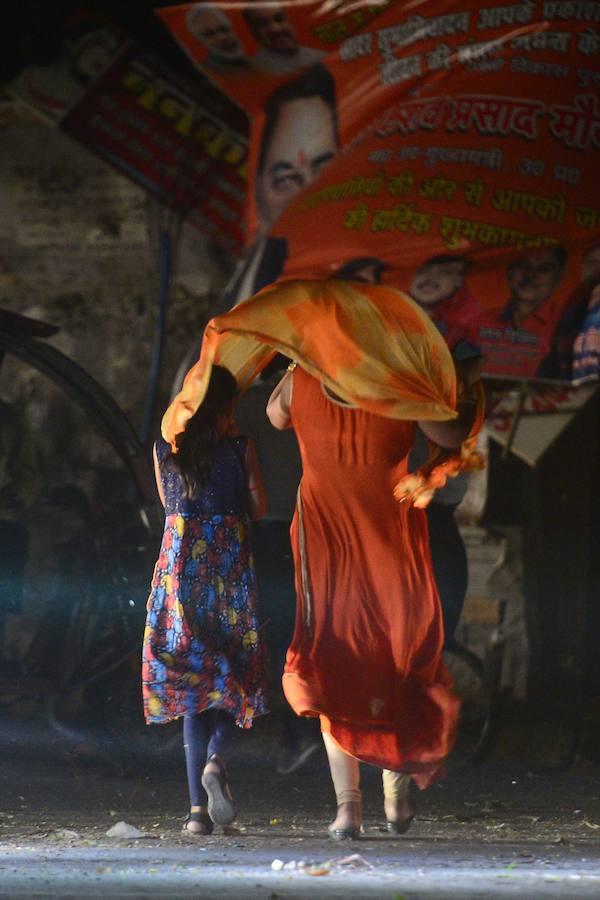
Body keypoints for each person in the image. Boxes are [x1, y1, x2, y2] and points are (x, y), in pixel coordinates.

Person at [266, 337, 479, 839]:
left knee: (333, 662)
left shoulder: (301, 380)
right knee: (397, 659)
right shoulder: (402, 386)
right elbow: (451, 433)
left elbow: (275, 414)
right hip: (389, 543)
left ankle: (349, 806)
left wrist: (298, 360)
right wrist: (450, 383)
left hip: (328, 545)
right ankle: (394, 791)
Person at [142, 365, 268, 835]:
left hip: (179, 578)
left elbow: (169, 509)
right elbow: (260, 508)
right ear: (224, 408)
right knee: (235, 674)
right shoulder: (240, 449)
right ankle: (217, 760)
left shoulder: (163, 453)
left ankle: (197, 813)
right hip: (228, 573)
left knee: (193, 686)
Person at [219, 63, 338, 310]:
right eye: (286, 180)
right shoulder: (252, 302)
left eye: (324, 172)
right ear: (258, 193)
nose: (308, 195)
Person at [474, 245, 567, 378]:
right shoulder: (479, 322)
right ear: (509, 270)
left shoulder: (567, 323)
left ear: (559, 277)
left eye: (544, 269)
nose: (530, 275)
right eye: (523, 265)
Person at [410, 254, 482, 349]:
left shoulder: (471, 323)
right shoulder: (392, 307)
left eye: (445, 272)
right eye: (424, 270)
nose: (430, 277)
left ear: (459, 281)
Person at [243, 6, 325, 75]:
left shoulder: (318, 56)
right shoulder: (255, 73)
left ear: (290, 21)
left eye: (279, 19)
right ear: (253, 32)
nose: (275, 28)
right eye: (263, 24)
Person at [187, 4, 252, 73]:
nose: (221, 37)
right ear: (200, 42)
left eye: (223, 29)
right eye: (209, 34)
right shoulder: (205, 72)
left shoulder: (257, 62)